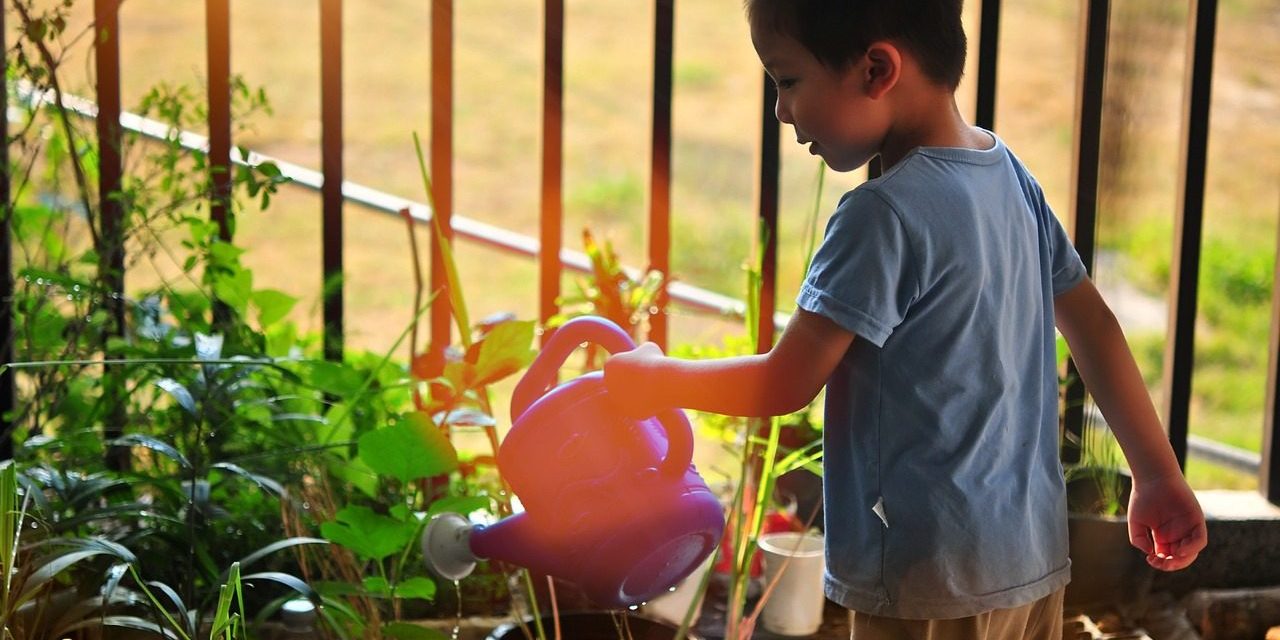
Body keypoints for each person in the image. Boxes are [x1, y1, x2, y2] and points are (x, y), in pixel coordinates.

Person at [602, 1, 1208, 637]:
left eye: (788, 81)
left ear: (876, 70)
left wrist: (655, 380)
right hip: (1030, 564)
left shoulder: (881, 216)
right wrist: (1156, 473)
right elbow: (1095, 327)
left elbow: (783, 383)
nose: (781, 110)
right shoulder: (1010, 177)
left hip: (930, 584)